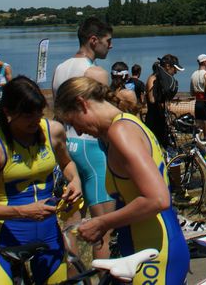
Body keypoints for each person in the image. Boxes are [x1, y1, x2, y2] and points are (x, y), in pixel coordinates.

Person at [54, 77, 188, 285]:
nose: (78, 131)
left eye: (73, 122)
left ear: (82, 104)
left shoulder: (121, 132)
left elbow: (158, 199)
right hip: (142, 246)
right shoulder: (127, 123)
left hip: (152, 252)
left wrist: (102, 222)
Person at [0, 77, 82, 285]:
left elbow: (68, 164)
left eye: (39, 112)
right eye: (28, 114)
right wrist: (24, 211)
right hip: (9, 235)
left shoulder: (53, 131)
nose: (35, 120)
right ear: (8, 112)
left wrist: (75, 180)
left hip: (49, 232)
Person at [51, 16, 115, 254]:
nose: (111, 46)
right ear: (93, 40)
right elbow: (107, 119)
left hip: (68, 145)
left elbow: (57, 112)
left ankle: (74, 278)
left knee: (71, 226)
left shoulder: (61, 68)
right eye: (108, 41)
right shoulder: (94, 72)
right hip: (91, 148)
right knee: (103, 229)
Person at [145, 54, 184, 150]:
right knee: (154, 146)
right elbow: (152, 99)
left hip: (162, 119)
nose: (175, 72)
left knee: (165, 146)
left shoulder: (165, 82)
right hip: (153, 119)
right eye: (174, 69)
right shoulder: (153, 78)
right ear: (167, 66)